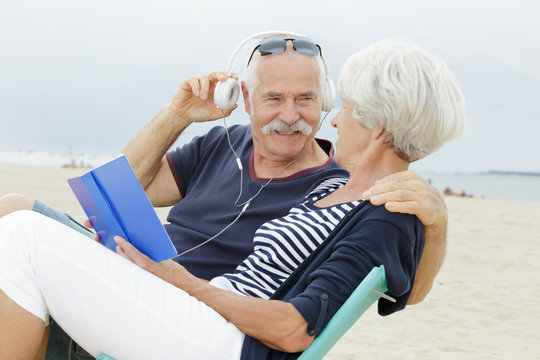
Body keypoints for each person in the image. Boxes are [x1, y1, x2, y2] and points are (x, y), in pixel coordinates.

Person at [0, 38, 464, 360]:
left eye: (326, 103)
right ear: (245, 98)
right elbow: (122, 186)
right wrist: (177, 114)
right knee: (15, 218)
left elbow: (299, 327)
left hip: (217, 333)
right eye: (274, 98)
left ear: (377, 125)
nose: (332, 120)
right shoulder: (333, 189)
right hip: (187, 307)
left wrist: (435, 227)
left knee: (22, 233)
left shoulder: (382, 211)